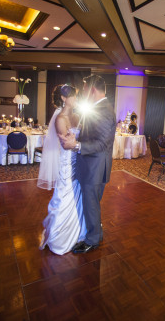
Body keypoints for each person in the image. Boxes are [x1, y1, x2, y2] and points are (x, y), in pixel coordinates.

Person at [59, 75, 116, 254]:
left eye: (84, 89)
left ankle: (92, 240)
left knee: (91, 203)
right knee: (92, 203)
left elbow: (102, 144)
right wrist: (75, 136)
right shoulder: (98, 108)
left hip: (95, 167)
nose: (83, 93)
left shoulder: (105, 111)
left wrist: (75, 145)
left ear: (92, 90)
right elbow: (91, 134)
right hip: (93, 165)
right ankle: (96, 234)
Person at [37, 84, 86, 255]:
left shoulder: (78, 115)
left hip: (79, 162)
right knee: (65, 196)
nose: (75, 99)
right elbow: (66, 146)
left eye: (76, 95)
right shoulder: (60, 119)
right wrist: (75, 144)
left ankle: (78, 232)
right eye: (73, 96)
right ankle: (60, 238)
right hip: (66, 165)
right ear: (64, 99)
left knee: (78, 196)